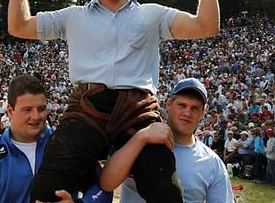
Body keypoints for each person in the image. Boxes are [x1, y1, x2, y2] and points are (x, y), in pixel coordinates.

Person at [8, 0, 219, 202]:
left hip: (137, 110)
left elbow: (206, 26)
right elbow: (18, 26)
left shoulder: (152, 14)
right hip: (88, 109)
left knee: (165, 190)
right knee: (48, 186)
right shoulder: (73, 16)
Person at [0, 74, 111, 203]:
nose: (36, 116)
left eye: (41, 109)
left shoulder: (67, 145)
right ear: (10, 111)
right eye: (27, 110)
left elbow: (103, 188)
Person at [98, 78, 233, 202]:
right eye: (182, 105)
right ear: (169, 104)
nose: (187, 113)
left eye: (194, 108)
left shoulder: (212, 163)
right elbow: (107, 183)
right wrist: (142, 137)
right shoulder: (140, 140)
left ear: (203, 112)